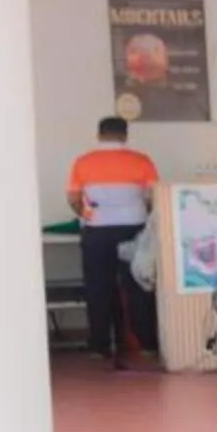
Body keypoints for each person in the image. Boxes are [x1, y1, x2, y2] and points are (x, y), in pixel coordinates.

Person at [67, 116, 158, 369]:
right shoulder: (142, 161)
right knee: (138, 285)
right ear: (125, 135)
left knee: (98, 287)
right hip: (134, 227)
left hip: (97, 230)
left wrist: (86, 215)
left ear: (99, 134)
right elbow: (152, 197)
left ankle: (100, 347)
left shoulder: (83, 162)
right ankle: (148, 344)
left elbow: (74, 198)